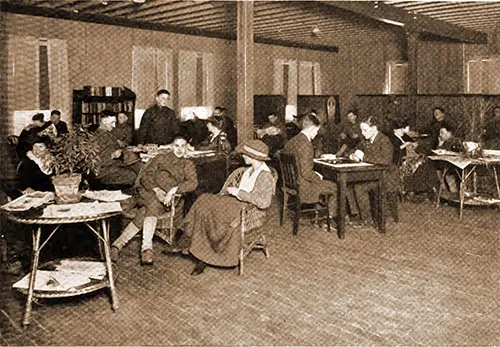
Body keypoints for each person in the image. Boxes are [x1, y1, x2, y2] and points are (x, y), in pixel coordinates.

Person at [172, 140, 275, 276]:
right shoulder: (250, 170)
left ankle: (189, 239)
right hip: (233, 202)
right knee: (203, 200)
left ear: (254, 157)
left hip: (243, 209)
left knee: (207, 208)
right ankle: (190, 240)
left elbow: (264, 202)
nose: (243, 156)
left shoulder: (265, 176)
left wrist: (239, 193)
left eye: (245, 154)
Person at [111, 136, 198, 265]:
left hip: (166, 200)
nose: (179, 149)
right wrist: (156, 189)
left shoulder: (188, 164)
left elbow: (193, 183)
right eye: (176, 146)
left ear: (186, 148)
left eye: (182, 146)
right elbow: (146, 176)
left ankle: (117, 245)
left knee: (146, 210)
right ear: (171, 146)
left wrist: (174, 190)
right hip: (147, 192)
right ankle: (146, 248)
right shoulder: (160, 158)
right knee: (152, 203)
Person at [284, 113, 337, 223]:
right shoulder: (306, 144)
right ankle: (328, 220)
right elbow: (306, 173)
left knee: (320, 179)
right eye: (316, 130)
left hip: (291, 183)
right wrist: (318, 177)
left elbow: (299, 163)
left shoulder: (292, 141)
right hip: (303, 186)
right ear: (312, 128)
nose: (317, 133)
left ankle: (318, 214)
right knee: (336, 187)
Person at [349, 115, 397, 227]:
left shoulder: (384, 140)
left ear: (374, 128)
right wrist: (352, 155)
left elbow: (386, 161)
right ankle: (359, 214)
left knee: (359, 187)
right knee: (350, 185)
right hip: (371, 175)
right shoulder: (365, 139)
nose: (362, 133)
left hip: (386, 177)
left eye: (365, 130)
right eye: (361, 130)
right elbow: (354, 149)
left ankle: (366, 220)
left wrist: (363, 157)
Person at [93, 111, 139, 187]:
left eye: (115, 122)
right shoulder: (96, 138)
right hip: (103, 173)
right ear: (104, 122)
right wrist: (112, 156)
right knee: (133, 177)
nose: (114, 125)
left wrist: (130, 149)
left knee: (140, 169)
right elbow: (94, 162)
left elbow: (118, 147)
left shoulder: (109, 133)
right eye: (112, 122)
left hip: (115, 165)